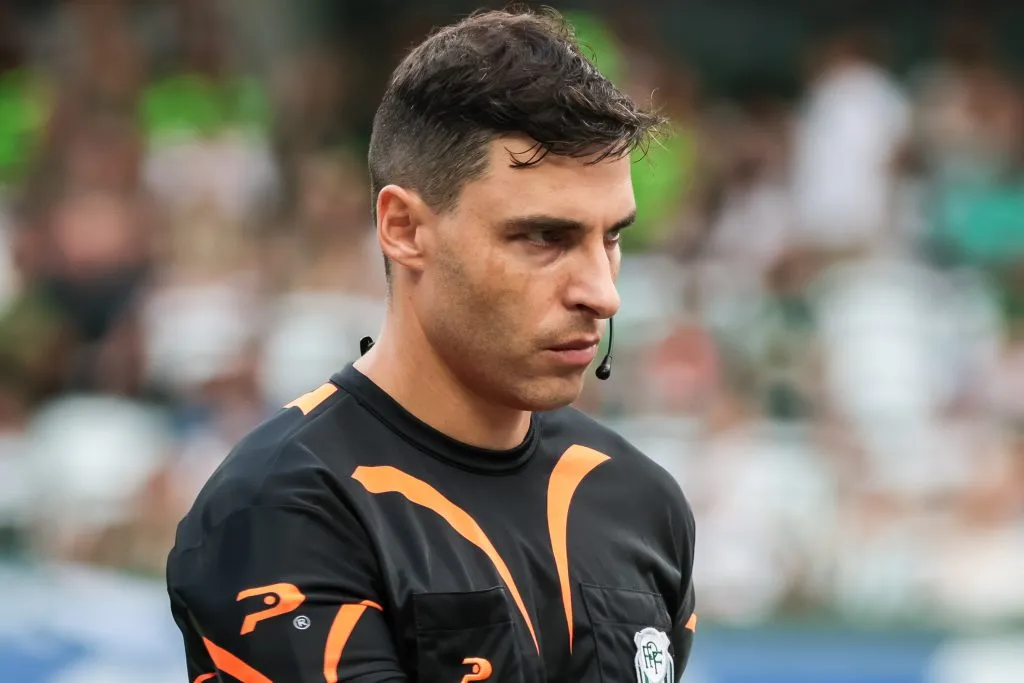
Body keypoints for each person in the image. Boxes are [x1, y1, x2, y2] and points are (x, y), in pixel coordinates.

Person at [166, 8, 696, 682]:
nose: (602, 292)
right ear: (404, 228)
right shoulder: (283, 508)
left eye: (612, 237)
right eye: (544, 237)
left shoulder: (643, 504)